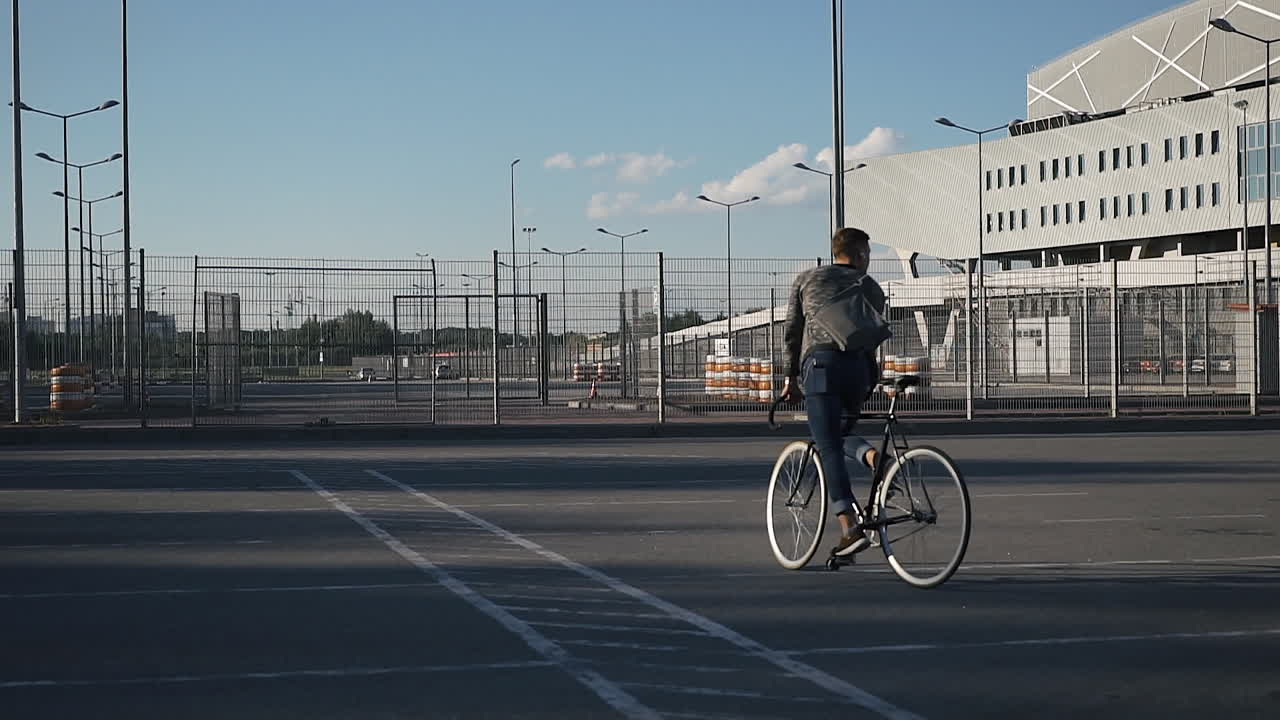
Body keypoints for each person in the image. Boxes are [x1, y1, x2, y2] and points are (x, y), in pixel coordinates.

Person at [779, 227, 886, 551]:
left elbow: (792, 330)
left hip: (822, 367)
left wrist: (790, 378)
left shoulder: (808, 279)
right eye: (867, 253)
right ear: (860, 254)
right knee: (836, 436)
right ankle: (871, 456)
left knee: (827, 445)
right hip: (860, 370)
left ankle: (850, 528)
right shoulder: (871, 287)